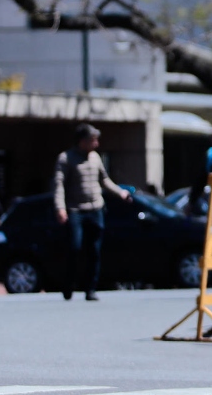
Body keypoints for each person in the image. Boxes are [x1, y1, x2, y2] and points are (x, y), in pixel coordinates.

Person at [54, 123, 132, 301]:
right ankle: (69, 284)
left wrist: (121, 193)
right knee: (75, 247)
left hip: (96, 208)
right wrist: (60, 207)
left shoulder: (95, 158)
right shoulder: (66, 158)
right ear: (82, 141)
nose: (96, 144)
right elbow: (59, 185)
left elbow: (105, 180)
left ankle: (90, 289)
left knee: (94, 251)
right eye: (93, 140)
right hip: (76, 210)